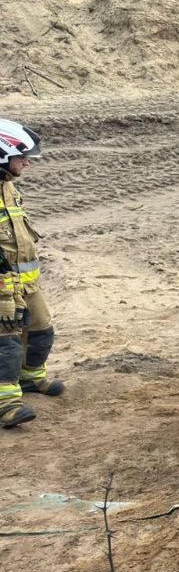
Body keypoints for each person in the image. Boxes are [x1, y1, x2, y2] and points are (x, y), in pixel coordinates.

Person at [0, 119, 60, 429]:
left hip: (26, 282)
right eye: (22, 156)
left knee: (41, 331)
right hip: (1, 286)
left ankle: (31, 379)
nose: (27, 163)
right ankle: (6, 404)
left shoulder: (8, 187)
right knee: (5, 342)